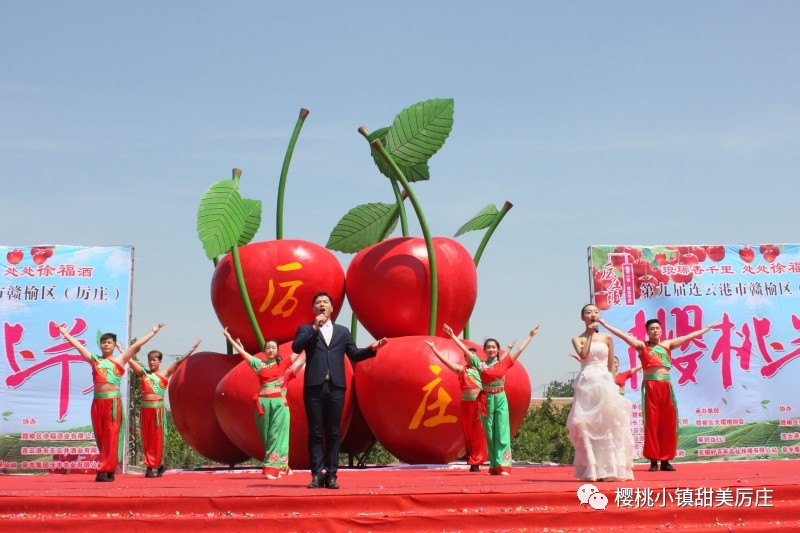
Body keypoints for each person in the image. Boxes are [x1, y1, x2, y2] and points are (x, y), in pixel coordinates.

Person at [292, 292, 387, 489]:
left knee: (334, 433)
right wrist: (314, 328)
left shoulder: (342, 332)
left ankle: (332, 474)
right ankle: (317, 474)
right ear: (313, 309)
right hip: (314, 387)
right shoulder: (306, 330)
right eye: (318, 302)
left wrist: (372, 348)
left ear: (332, 308)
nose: (322, 305)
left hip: (336, 387)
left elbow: (354, 354)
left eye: (325, 302)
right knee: (316, 433)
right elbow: (296, 346)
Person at [601, 315, 715, 472]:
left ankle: (666, 460)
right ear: (647, 332)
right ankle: (653, 460)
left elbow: (687, 337)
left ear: (661, 331)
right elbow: (623, 336)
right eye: (652, 329)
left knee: (668, 423)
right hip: (651, 387)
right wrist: (606, 324)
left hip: (666, 387)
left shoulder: (668, 344)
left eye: (657, 328)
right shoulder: (642, 346)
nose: (655, 331)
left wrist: (706, 329)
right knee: (652, 423)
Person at [58, 322, 165, 482]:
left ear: (114, 345)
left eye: (109, 342)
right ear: (100, 345)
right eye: (103, 342)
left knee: (111, 436)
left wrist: (153, 332)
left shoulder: (120, 359)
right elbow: (79, 347)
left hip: (112, 404)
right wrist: (66, 334)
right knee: (101, 437)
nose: (106, 344)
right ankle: (108, 469)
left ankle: (102, 471)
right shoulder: (95, 360)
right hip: (97, 403)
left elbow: (136, 345)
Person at [443, 323, 539, 475]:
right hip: (486, 400)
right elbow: (464, 350)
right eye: (488, 347)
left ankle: (504, 465)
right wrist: (453, 336)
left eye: (494, 347)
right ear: (485, 350)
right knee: (489, 432)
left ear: (497, 349)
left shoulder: (504, 363)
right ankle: (494, 466)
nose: (491, 349)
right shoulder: (480, 364)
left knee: (501, 431)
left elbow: (520, 350)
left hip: (500, 398)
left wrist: (530, 335)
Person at [223, 328, 305, 479]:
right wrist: (229, 337)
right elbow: (242, 354)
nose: (271, 350)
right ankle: (281, 465)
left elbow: (299, 356)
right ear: (264, 351)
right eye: (268, 347)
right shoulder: (258, 364)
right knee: (266, 436)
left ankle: (271, 468)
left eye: (273, 347)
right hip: (262, 404)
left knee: (276, 435)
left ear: (278, 351)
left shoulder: (284, 365)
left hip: (279, 403)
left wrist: (310, 341)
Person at [566, 304, 634, 482]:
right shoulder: (577, 338)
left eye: (596, 312)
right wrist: (589, 334)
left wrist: (613, 384)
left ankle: (612, 468)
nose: (593, 314)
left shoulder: (607, 338)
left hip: (605, 381)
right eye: (589, 312)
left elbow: (611, 363)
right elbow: (583, 355)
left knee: (608, 424)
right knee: (588, 424)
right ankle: (593, 469)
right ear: (583, 318)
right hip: (587, 382)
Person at [127, 339, 201, 478]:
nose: (152, 362)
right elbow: (129, 360)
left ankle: (155, 465)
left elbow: (179, 362)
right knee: (147, 439)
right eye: (150, 360)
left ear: (159, 361)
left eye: (154, 360)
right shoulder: (144, 373)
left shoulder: (165, 373)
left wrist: (192, 349)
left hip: (157, 411)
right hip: (145, 410)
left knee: (158, 439)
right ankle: (153, 464)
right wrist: (120, 348)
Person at [424, 342, 487, 472]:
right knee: (468, 433)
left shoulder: (482, 370)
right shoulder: (462, 370)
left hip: (479, 404)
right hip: (466, 405)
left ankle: (477, 461)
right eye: (468, 355)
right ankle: (472, 459)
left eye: (473, 354)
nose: (471, 356)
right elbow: (446, 362)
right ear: (465, 357)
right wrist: (434, 348)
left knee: (478, 434)